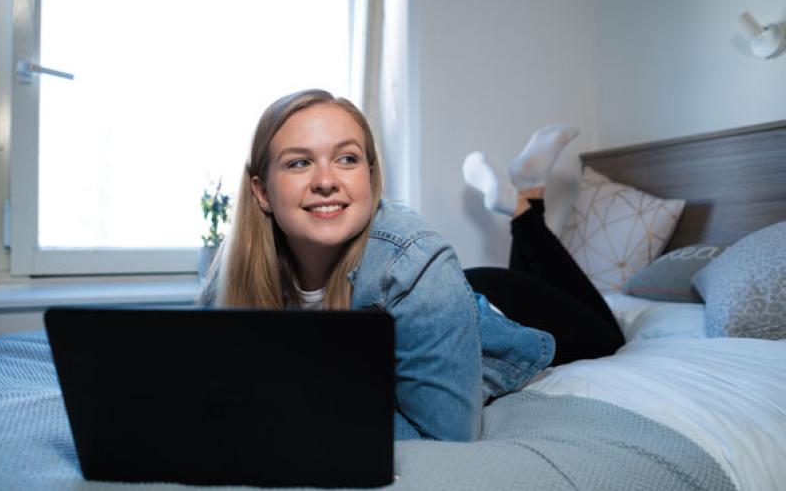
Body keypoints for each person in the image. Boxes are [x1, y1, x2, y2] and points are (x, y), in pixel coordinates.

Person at [196, 89, 622, 442]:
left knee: (611, 336)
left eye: (346, 158)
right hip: (445, 299)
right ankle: (527, 190)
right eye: (299, 162)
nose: (326, 180)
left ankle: (523, 208)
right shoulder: (233, 274)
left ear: (371, 176)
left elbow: (450, 438)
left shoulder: (415, 260)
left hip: (506, 312)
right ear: (262, 191)